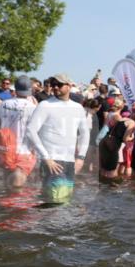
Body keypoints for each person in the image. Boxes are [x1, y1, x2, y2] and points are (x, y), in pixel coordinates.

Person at [25, 74, 91, 204]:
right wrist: (46, 158)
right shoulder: (45, 105)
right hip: (52, 160)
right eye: (53, 84)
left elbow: (84, 133)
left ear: (69, 86)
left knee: (65, 199)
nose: (55, 87)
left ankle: (51, 223)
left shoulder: (77, 108)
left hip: (69, 160)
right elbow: (30, 131)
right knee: (55, 200)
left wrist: (81, 158)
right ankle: (49, 223)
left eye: (59, 84)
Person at [0, 76, 39, 188]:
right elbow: (35, 130)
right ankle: (16, 203)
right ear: (30, 91)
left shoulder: (4, 104)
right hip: (24, 149)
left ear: (15, 89)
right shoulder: (33, 107)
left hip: (5, 148)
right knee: (18, 184)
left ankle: (6, 203)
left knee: (7, 179)